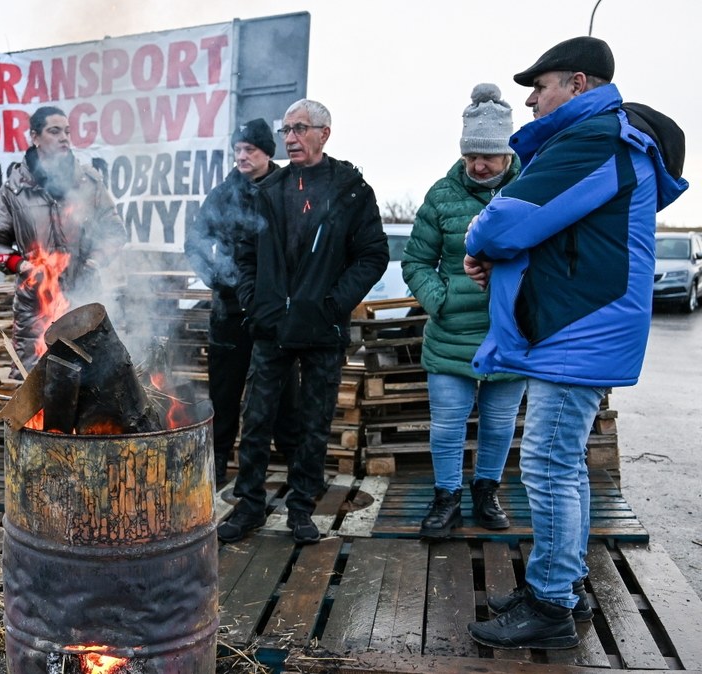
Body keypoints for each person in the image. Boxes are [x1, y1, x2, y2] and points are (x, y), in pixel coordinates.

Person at [464, 37, 687, 650]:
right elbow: (558, 237)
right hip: (576, 327)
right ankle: (564, 580)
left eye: (542, 85)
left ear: (579, 84)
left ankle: (552, 605)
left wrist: (483, 244)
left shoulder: (597, 137)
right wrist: (502, 263)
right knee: (565, 465)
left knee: (549, 465)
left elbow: (509, 219)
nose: (532, 99)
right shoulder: (599, 138)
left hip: (577, 330)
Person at [220, 100, 389, 544]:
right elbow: (244, 255)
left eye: (299, 129)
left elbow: (373, 255)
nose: (290, 138)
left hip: (322, 327)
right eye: (286, 130)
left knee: (314, 422)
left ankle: (301, 508)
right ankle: (250, 505)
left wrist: (335, 303)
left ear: (324, 133)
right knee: (256, 417)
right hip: (271, 324)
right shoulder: (268, 190)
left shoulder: (350, 189)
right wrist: (254, 302)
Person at [401, 84, 525, 538]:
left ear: (508, 152)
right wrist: (442, 299)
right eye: (472, 154)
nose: (479, 164)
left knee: (497, 423)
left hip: (512, 334)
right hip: (453, 332)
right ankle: (446, 498)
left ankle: (486, 492)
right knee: (448, 424)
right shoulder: (441, 196)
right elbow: (415, 261)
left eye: (489, 155)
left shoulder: (532, 189)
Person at [185, 118, 300, 489]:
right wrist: (218, 279)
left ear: (268, 151)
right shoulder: (222, 194)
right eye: (237, 150)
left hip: (276, 310)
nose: (242, 156)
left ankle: (295, 465)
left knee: (283, 393)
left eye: (249, 149)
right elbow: (196, 242)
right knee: (225, 390)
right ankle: (217, 466)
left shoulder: (289, 189)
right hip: (230, 311)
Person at [0, 105, 126, 372]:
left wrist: (95, 261)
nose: (64, 138)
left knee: (90, 387)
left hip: (84, 302)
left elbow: (114, 232)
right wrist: (21, 265)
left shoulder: (89, 183)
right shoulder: (15, 190)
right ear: (35, 137)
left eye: (67, 132)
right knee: (37, 393)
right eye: (54, 131)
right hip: (35, 311)